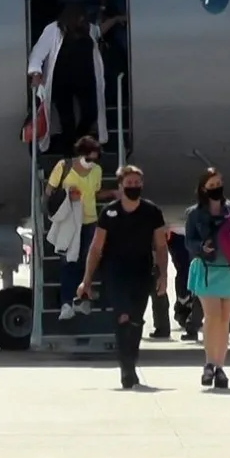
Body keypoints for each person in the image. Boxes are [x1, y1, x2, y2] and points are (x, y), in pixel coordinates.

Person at [77, 165, 167, 389]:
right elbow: (96, 248)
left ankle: (131, 360)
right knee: (123, 317)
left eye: (137, 183)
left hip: (142, 270)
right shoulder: (109, 212)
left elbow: (161, 246)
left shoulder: (152, 212)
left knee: (136, 320)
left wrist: (163, 274)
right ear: (120, 185)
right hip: (115, 271)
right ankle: (126, 368)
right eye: (129, 183)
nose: (133, 187)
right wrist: (86, 279)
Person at [27, 3, 124, 153]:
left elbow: (99, 31)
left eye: (83, 18)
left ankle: (79, 139)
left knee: (91, 112)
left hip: (84, 81)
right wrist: (35, 73)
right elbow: (38, 52)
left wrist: (116, 19)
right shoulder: (53, 30)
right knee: (67, 118)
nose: (82, 20)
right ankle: (70, 150)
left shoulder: (87, 29)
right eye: (79, 17)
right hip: (62, 82)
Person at [185, 168, 230, 389]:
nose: (216, 189)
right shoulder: (195, 213)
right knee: (211, 317)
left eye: (218, 184)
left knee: (224, 320)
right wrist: (202, 247)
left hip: (229, 268)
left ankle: (220, 367)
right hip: (206, 268)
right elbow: (189, 241)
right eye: (211, 186)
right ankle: (209, 363)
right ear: (204, 189)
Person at [46, 136, 113, 320]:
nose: (92, 163)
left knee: (87, 263)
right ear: (81, 154)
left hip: (89, 220)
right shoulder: (64, 166)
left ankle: (81, 299)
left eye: (95, 159)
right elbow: (49, 192)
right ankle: (66, 303)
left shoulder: (97, 171)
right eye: (89, 159)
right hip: (69, 222)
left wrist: (113, 193)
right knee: (69, 262)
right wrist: (67, 195)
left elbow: (95, 194)